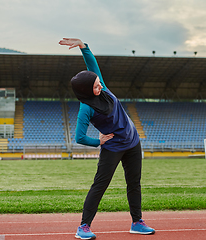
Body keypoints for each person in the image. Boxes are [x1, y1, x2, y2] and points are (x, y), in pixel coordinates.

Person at [59, 38, 155, 239]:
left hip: (133, 142)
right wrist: (98, 141)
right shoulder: (86, 108)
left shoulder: (101, 85)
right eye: (95, 87)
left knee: (134, 183)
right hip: (112, 148)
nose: (100, 87)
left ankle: (137, 222)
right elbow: (79, 137)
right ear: (85, 91)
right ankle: (83, 227)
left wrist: (83, 46)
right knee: (100, 185)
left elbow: (91, 65)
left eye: (98, 83)